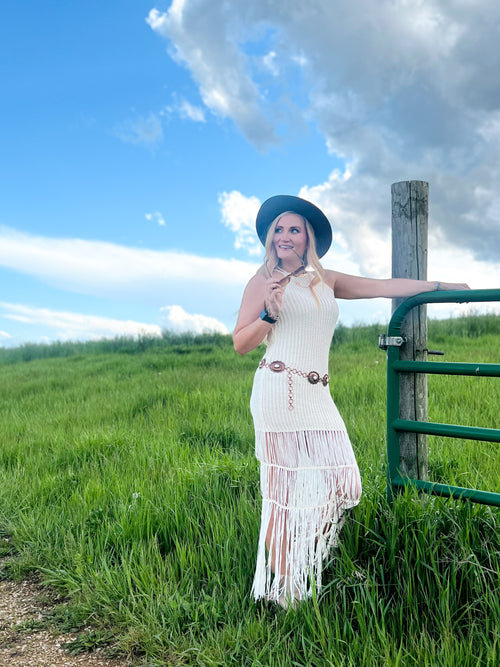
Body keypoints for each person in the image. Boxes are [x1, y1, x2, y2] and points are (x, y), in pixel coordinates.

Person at [233, 194, 469, 609]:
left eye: (295, 229)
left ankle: (300, 566)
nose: (286, 236)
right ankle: (287, 587)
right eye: (279, 229)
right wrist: (268, 314)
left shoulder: (325, 279)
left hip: (317, 394)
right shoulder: (263, 282)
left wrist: (439, 287)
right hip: (279, 390)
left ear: (308, 240)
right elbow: (240, 343)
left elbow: (384, 287)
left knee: (345, 483)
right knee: (282, 492)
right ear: (270, 239)